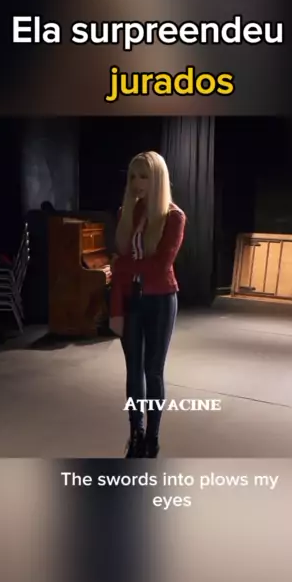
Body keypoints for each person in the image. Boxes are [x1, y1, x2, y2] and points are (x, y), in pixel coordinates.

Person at [109, 151, 186, 459]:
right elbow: (119, 273)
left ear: (158, 178)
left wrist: (122, 265)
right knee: (133, 372)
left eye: (144, 176)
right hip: (132, 301)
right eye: (133, 176)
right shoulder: (127, 212)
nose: (137, 183)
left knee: (153, 371)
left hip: (161, 301)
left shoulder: (174, 217)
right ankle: (136, 434)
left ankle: (152, 439)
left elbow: (158, 266)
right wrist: (116, 310)